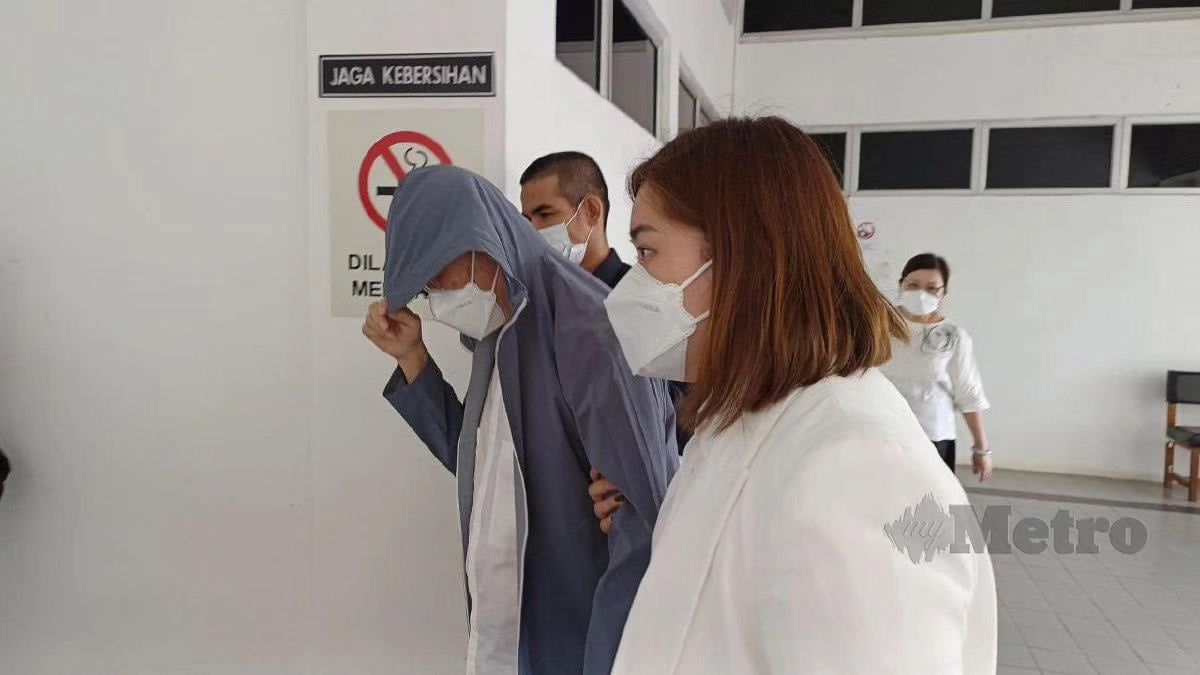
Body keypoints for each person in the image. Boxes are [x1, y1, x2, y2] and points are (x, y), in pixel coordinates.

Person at [595, 117, 997, 674]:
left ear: (746, 257)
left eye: (647, 252)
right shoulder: (746, 419)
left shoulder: (860, 466)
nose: (633, 284)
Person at [361, 165, 678, 675]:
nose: (436, 295)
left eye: (436, 274)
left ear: (475, 239)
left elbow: (640, 525)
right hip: (509, 629)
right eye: (424, 287)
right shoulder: (501, 330)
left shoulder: (590, 329)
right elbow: (479, 466)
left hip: (579, 636)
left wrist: (612, 661)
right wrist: (412, 357)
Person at [880, 253, 993, 482]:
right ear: (901, 285)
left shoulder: (953, 336)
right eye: (913, 285)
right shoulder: (877, 327)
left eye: (932, 288)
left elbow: (968, 392)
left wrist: (982, 449)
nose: (921, 294)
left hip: (933, 437)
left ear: (943, 293)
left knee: (928, 501)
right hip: (881, 434)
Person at [519, 151, 629, 287]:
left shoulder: (638, 294)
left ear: (591, 211)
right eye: (527, 219)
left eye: (545, 214)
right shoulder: (535, 292)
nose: (531, 230)